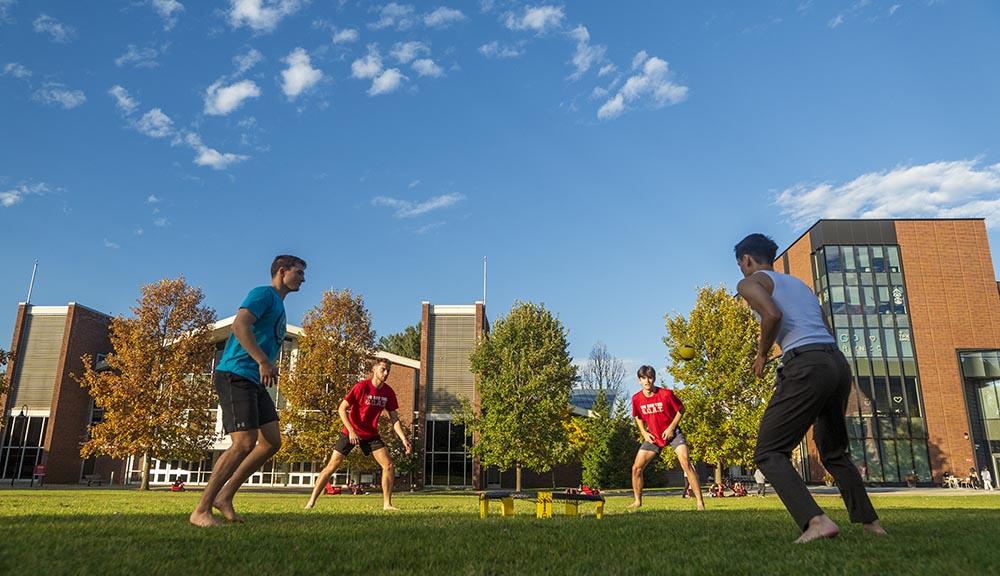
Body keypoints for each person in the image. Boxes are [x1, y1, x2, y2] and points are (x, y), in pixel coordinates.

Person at [735, 234, 885, 543]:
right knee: (833, 450)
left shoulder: (749, 283)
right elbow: (825, 329)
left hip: (807, 364)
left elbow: (772, 315)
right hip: (835, 363)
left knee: (769, 452)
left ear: (746, 259)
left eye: (740, 264)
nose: (741, 270)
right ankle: (872, 524)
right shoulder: (800, 285)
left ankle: (815, 520)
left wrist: (762, 354)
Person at [189, 255, 306, 527]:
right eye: (299, 272)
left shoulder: (279, 304)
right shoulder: (263, 294)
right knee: (243, 442)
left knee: (271, 442)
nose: (303, 278)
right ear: (282, 271)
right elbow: (239, 325)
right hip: (236, 373)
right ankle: (201, 510)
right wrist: (263, 360)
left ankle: (225, 497)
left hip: (254, 380)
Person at [305, 357, 412, 510]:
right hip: (351, 431)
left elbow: (394, 418)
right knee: (332, 465)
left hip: (371, 435)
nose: (386, 373)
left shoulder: (388, 392)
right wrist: (351, 430)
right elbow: (342, 409)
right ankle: (310, 502)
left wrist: (403, 439)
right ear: (374, 369)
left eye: (388, 370)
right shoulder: (361, 387)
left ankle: (387, 504)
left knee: (388, 465)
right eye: (383, 369)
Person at [628, 365, 705, 511]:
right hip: (653, 436)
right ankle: (637, 501)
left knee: (685, 464)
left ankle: (700, 503)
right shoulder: (636, 398)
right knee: (636, 468)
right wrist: (644, 432)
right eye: (644, 378)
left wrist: (671, 427)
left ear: (654, 379)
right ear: (639, 380)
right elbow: (637, 416)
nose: (647, 381)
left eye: (650, 378)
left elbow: (681, 409)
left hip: (673, 433)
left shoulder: (666, 394)